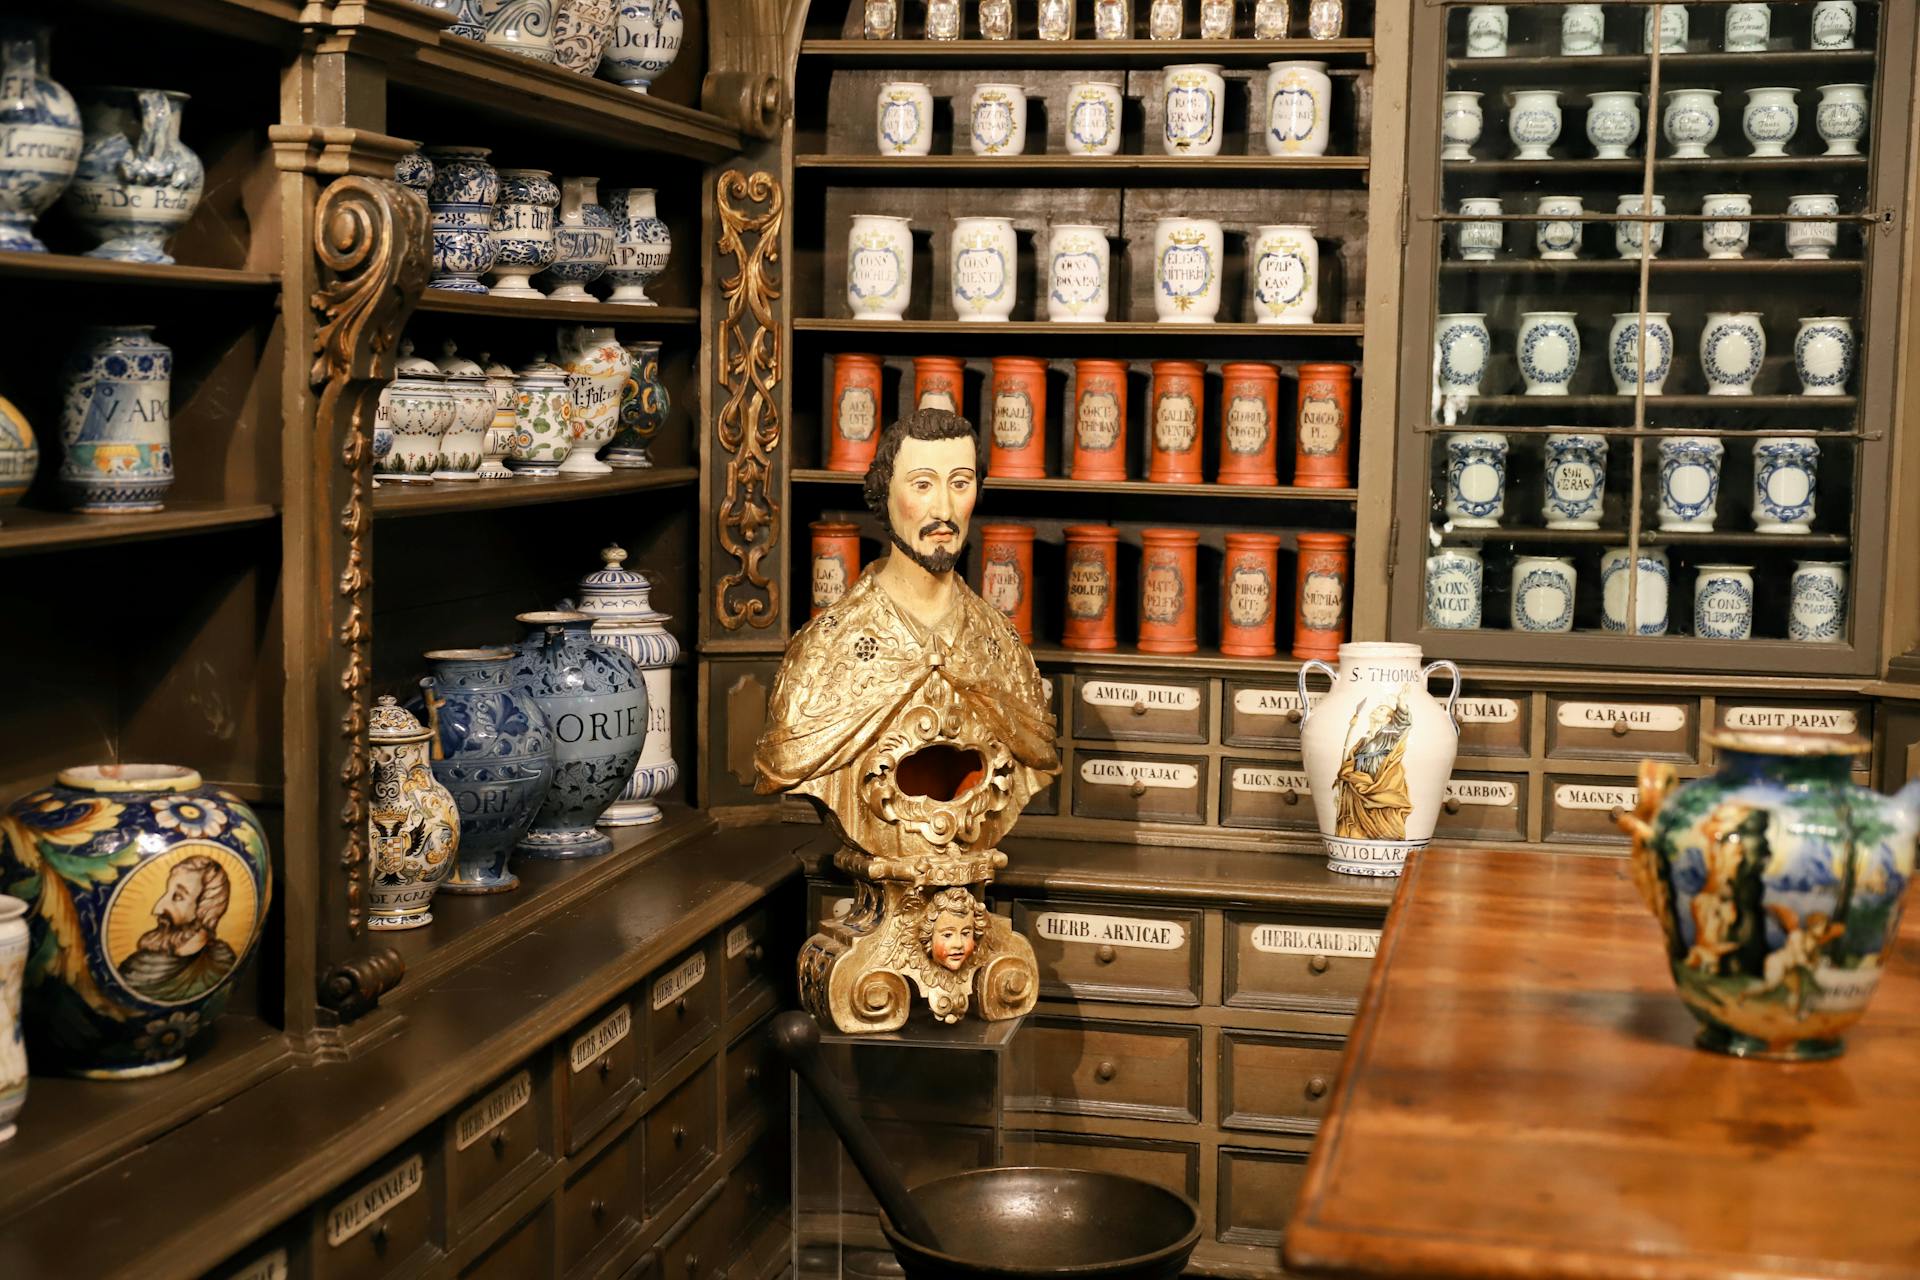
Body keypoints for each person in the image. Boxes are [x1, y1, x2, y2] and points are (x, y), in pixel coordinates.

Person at [753, 408, 1057, 819]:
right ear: (884, 493)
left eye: (960, 484)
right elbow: (788, 757)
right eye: (922, 485)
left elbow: (1035, 749)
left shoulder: (1001, 643)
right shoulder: (827, 646)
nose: (944, 509)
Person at [118, 855, 239, 1003]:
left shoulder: (221, 962)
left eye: (178, 897)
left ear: (205, 910)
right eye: (167, 893)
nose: (158, 908)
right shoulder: (137, 968)